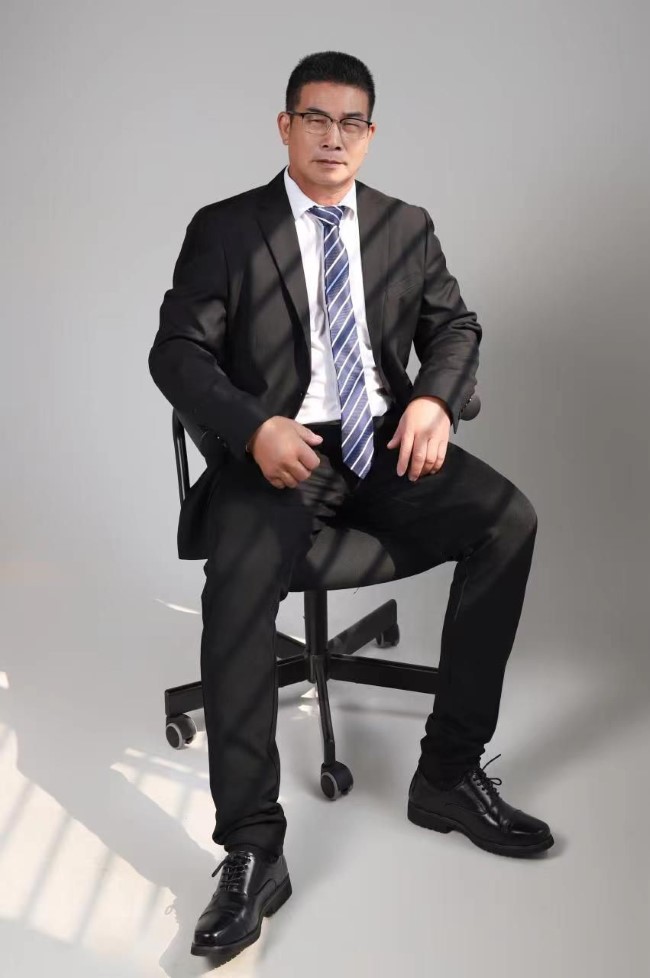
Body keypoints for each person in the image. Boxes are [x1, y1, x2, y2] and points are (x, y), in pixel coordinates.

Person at [149, 50, 554, 963]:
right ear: (285, 126)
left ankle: (448, 775)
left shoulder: (404, 225)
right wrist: (254, 427)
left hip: (383, 441)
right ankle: (252, 848)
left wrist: (433, 400)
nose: (334, 137)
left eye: (352, 122)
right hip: (278, 452)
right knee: (238, 583)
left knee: (510, 520)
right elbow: (177, 352)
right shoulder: (228, 228)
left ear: (370, 135)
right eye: (316, 118)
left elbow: (454, 326)